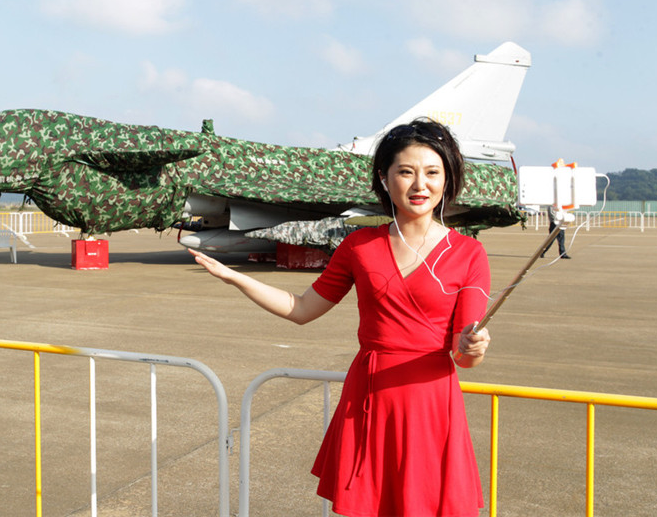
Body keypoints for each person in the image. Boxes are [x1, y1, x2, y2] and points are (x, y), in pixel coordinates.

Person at [190, 117, 492, 516]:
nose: (420, 185)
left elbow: (465, 357)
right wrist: (236, 279)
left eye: (432, 173)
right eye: (406, 172)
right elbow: (301, 310)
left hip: (430, 403)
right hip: (368, 396)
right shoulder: (359, 245)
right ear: (385, 179)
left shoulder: (469, 254)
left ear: (447, 178)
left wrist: (475, 346)